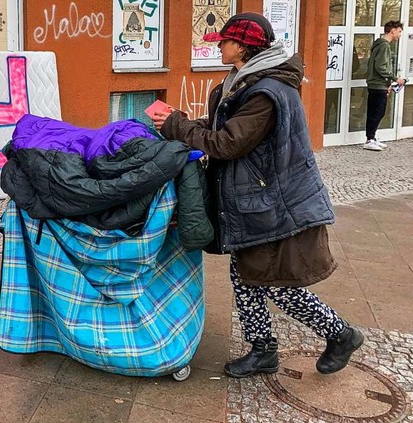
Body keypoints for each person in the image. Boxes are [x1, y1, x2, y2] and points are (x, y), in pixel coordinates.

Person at [152, 12, 364, 378]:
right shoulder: (244, 80)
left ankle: (340, 334)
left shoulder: (266, 91)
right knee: (246, 275)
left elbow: (229, 142)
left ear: (242, 47)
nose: (218, 46)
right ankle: (263, 350)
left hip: (274, 203)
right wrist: (184, 122)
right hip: (254, 200)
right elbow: (223, 125)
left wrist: (177, 128)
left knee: (274, 284)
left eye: (224, 42)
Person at [364, 20, 405, 151]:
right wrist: (394, 78)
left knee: (375, 111)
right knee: (378, 112)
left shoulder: (380, 44)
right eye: (399, 32)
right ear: (392, 30)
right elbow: (380, 66)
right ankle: (370, 139)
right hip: (378, 84)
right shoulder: (384, 46)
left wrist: (388, 82)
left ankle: (372, 137)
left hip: (377, 83)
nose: (399, 35)